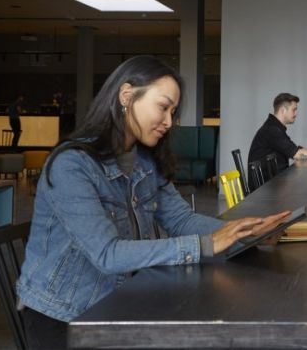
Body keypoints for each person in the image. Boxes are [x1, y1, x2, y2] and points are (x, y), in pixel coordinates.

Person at [15, 56, 290, 349]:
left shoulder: (146, 160)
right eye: (163, 107)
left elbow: (181, 220)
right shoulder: (71, 164)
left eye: (173, 112)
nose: (169, 122)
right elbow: (107, 254)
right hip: (65, 316)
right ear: (126, 95)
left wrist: (245, 233)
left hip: (122, 301)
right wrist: (206, 244)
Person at [248, 93, 307, 189]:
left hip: (274, 185)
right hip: (264, 191)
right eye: (294, 110)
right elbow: (298, 155)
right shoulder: (272, 130)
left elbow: (296, 150)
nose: (296, 114)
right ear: (283, 110)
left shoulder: (275, 127)